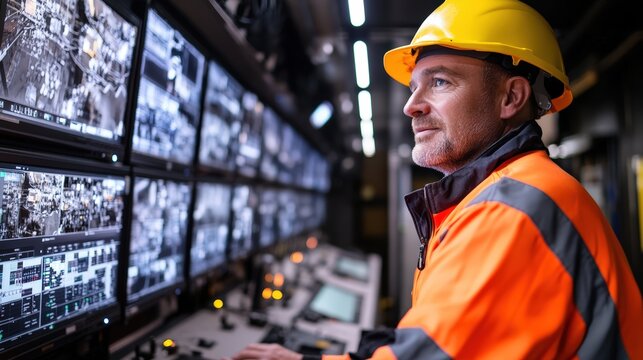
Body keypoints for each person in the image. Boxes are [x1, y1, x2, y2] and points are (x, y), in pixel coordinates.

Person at [229, 0, 643, 359]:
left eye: (440, 81)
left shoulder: (514, 209)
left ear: (511, 98)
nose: (411, 106)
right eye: (413, 87)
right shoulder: (500, 194)